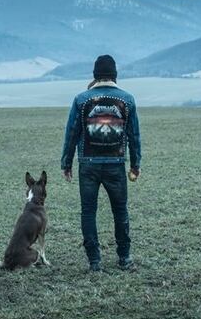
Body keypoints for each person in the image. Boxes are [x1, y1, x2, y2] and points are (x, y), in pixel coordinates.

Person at [60, 54, 141, 272]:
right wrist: (135, 165)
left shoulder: (81, 99)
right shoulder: (128, 100)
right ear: (115, 75)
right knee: (120, 211)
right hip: (116, 164)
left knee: (88, 211)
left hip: (88, 165)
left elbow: (71, 133)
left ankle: (94, 261)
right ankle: (124, 258)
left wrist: (66, 163)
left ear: (95, 75)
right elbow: (134, 136)